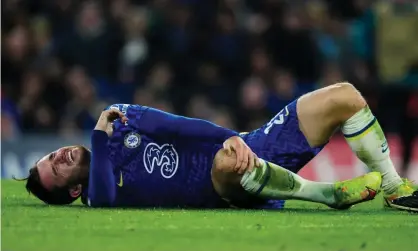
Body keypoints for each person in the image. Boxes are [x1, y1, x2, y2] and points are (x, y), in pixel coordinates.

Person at [20, 83, 417, 211]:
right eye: (56, 167)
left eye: (52, 154)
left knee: (344, 96)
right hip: (224, 184)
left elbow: (178, 125)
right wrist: (97, 137)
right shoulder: (95, 194)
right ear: (73, 189)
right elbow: (106, 197)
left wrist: (228, 135)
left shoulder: (121, 117)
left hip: (247, 147)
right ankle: (327, 194)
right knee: (227, 164)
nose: (60, 156)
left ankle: (394, 186)